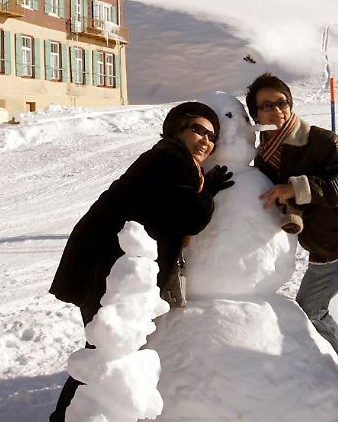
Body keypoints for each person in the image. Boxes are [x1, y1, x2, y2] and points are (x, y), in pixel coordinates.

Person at [48, 101, 234, 422]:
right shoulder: (170, 159)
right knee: (107, 352)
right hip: (108, 271)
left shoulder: (174, 161)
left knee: (108, 350)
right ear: (178, 129)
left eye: (212, 136)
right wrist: (209, 193)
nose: (206, 140)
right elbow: (191, 218)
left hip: (110, 268)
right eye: (198, 130)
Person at [246, 73, 338, 422]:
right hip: (324, 250)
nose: (277, 110)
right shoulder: (264, 159)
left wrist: (298, 187)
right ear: (256, 115)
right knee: (310, 308)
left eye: (282, 102)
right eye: (267, 106)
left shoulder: (320, 140)